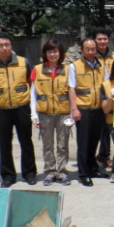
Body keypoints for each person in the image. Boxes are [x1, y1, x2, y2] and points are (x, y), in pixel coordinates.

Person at [0, 33, 37, 188]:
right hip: (1, 110)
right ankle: (8, 176)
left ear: (11, 46)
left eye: (7, 45)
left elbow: (29, 82)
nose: (4, 48)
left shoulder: (23, 62)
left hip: (22, 108)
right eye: (0, 45)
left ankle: (29, 173)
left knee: (26, 142)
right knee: (4, 144)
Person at [30, 39, 72, 186]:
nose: (52, 54)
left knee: (62, 145)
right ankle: (49, 172)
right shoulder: (37, 69)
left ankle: (61, 171)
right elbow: (33, 93)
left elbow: (72, 92)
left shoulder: (68, 70)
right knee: (47, 145)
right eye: (49, 51)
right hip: (44, 113)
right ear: (45, 53)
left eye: (55, 51)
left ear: (60, 53)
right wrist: (33, 114)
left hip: (63, 113)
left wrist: (73, 112)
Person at [68, 38, 109, 187]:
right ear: (82, 50)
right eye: (87, 49)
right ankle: (83, 173)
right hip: (83, 109)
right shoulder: (74, 66)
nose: (90, 52)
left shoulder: (101, 66)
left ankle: (93, 169)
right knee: (84, 143)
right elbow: (71, 88)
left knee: (94, 141)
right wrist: (74, 109)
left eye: (93, 49)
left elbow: (106, 86)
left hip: (98, 109)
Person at [94, 28, 114, 168]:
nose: (102, 41)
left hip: (110, 96)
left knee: (107, 128)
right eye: (99, 39)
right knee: (96, 130)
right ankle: (93, 157)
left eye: (105, 39)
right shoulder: (91, 55)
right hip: (95, 97)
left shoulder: (113, 56)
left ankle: (104, 155)